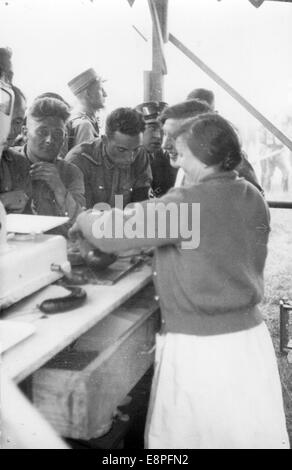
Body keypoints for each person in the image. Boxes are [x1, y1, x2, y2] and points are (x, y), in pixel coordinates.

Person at [69, 112, 289, 449]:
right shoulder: (250, 194)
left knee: (188, 439)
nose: (179, 164)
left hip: (201, 347)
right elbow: (215, 249)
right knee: (243, 435)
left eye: (182, 155)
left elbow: (111, 232)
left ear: (201, 156)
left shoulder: (189, 202)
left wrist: (85, 218)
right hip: (248, 343)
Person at [0, 97, 85, 235]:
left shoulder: (71, 173)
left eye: (58, 134)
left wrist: (59, 189)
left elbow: (80, 224)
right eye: (42, 132)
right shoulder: (6, 161)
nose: (50, 140)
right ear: (25, 133)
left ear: (64, 138)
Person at [160, 99, 264, 193]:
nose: (164, 145)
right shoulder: (186, 166)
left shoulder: (236, 171)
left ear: (203, 135)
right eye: (165, 134)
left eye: (175, 137)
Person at [65, 107, 152, 208]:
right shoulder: (79, 160)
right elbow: (80, 214)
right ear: (105, 140)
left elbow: (142, 201)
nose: (130, 158)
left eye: (136, 149)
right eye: (121, 150)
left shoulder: (140, 154)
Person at [135, 101, 177, 197]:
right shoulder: (128, 160)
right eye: (152, 128)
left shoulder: (168, 158)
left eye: (163, 130)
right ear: (138, 130)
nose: (158, 136)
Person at [67, 68, 107, 150]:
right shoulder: (84, 125)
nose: (105, 94)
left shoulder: (79, 117)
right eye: (101, 89)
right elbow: (85, 161)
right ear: (88, 94)